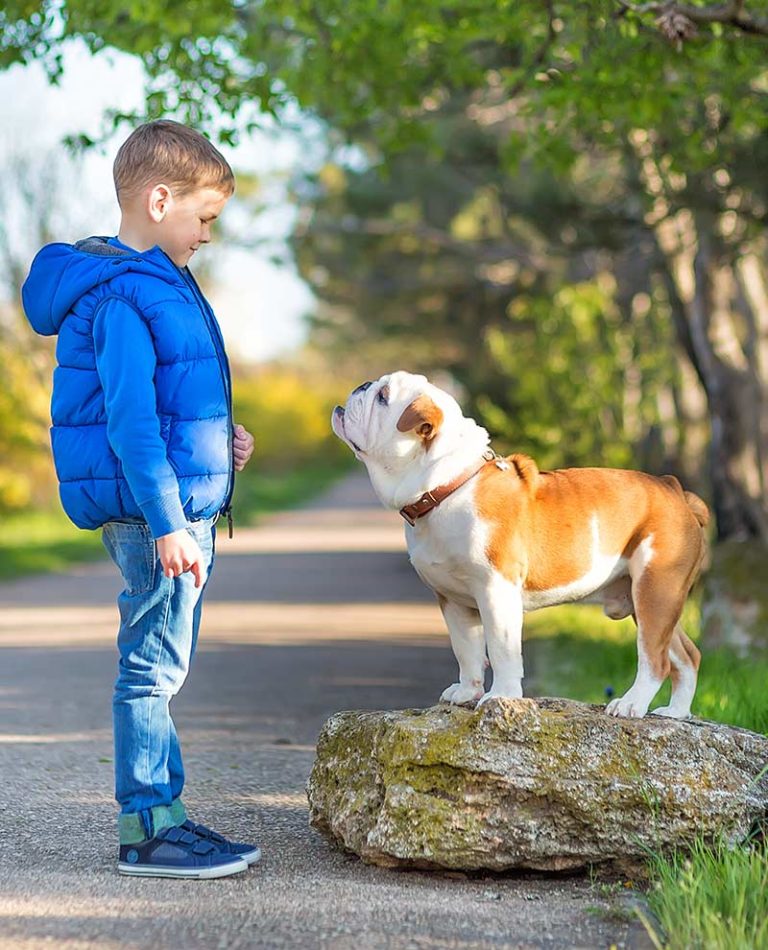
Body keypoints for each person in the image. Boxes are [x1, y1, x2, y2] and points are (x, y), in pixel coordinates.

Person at [22, 119, 259, 879]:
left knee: (160, 663)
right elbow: (127, 421)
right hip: (155, 516)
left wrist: (224, 443)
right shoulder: (126, 292)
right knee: (152, 668)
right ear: (160, 199)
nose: (208, 234)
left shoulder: (155, 281)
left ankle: (163, 817)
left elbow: (166, 405)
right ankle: (150, 829)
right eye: (204, 217)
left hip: (171, 509)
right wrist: (167, 522)